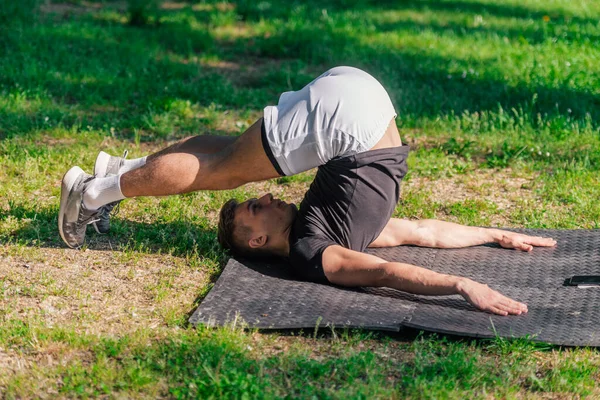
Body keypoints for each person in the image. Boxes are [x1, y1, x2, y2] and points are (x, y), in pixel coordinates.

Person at [58, 66, 557, 316]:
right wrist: (481, 254)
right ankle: (101, 185)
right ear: (256, 241)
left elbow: (402, 251)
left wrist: (476, 262)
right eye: (257, 209)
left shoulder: (313, 237)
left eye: (259, 203)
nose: (269, 197)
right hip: (360, 102)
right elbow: (414, 244)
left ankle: (101, 186)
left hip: (356, 117)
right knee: (226, 163)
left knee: (226, 165)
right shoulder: (315, 248)